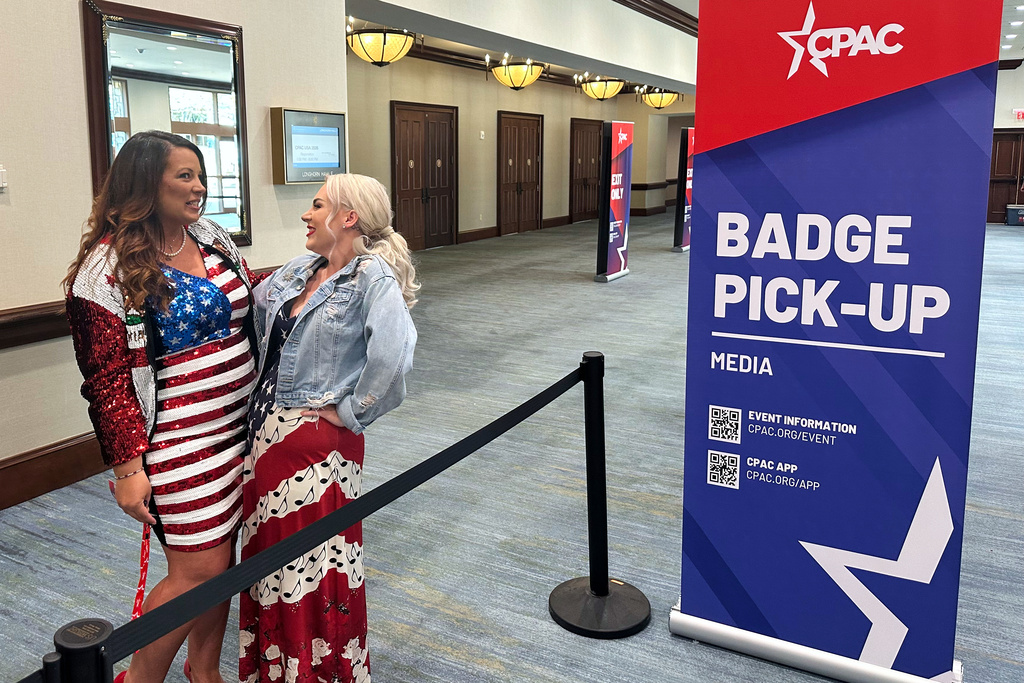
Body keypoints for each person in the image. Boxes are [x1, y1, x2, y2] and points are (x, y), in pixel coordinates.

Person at [65, 130, 265, 683]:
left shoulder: (209, 234)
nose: (199, 187)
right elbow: (106, 382)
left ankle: (204, 671)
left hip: (241, 430)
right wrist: (128, 470)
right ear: (144, 184)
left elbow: (249, 301)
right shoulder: (104, 273)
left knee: (221, 564)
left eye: (200, 175)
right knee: (196, 569)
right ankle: (140, 678)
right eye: (185, 176)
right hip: (180, 442)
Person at [239, 173, 418, 683]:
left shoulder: (372, 277)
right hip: (266, 436)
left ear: (347, 218)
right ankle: (277, 668)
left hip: (318, 449)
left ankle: (316, 671)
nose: (305, 214)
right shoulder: (300, 269)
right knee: (272, 563)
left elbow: (393, 357)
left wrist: (350, 410)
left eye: (316, 205)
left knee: (314, 568)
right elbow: (251, 315)